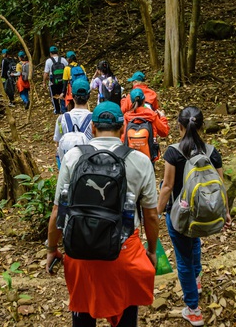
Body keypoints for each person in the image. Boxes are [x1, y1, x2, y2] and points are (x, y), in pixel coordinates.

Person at [46, 101, 159, 327]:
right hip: (123, 251)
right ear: (123, 129)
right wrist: (153, 251)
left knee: (82, 315)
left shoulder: (72, 157)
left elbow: (59, 209)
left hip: (80, 252)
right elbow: (151, 216)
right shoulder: (140, 161)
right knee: (126, 316)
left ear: (93, 129)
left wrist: (52, 248)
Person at [157, 106, 231, 327]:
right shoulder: (212, 152)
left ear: (179, 126)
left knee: (183, 260)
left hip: (178, 215)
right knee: (194, 242)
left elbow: (167, 186)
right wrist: (225, 212)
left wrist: (157, 212)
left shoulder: (173, 152)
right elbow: (220, 185)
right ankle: (196, 281)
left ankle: (193, 309)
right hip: (203, 214)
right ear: (201, 127)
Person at [122, 88, 169, 163]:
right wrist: (163, 117)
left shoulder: (127, 116)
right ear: (144, 101)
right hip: (149, 157)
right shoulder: (152, 115)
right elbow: (164, 132)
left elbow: (123, 138)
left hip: (131, 156)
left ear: (131, 102)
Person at [43, 46, 68, 114]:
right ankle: (64, 109)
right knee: (63, 94)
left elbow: (46, 73)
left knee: (54, 96)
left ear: (50, 53)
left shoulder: (48, 61)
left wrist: (44, 82)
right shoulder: (63, 60)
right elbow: (68, 69)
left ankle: (57, 110)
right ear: (57, 52)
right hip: (63, 81)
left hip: (52, 82)